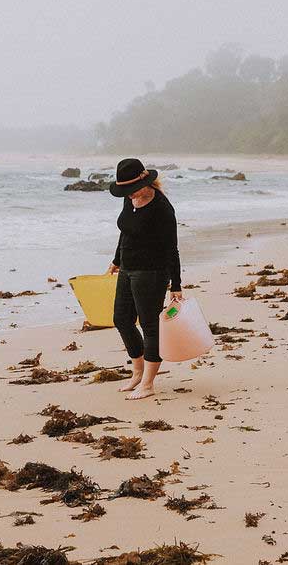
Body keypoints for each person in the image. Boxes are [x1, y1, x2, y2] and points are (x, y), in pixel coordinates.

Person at [107, 158, 183, 400]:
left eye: (131, 189)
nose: (128, 195)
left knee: (150, 326)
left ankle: (149, 383)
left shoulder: (162, 208)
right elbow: (124, 233)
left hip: (152, 272)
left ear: (144, 182)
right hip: (128, 268)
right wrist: (117, 259)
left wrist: (176, 285)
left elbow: (172, 248)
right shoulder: (130, 200)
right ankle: (138, 372)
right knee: (121, 319)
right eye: (125, 191)